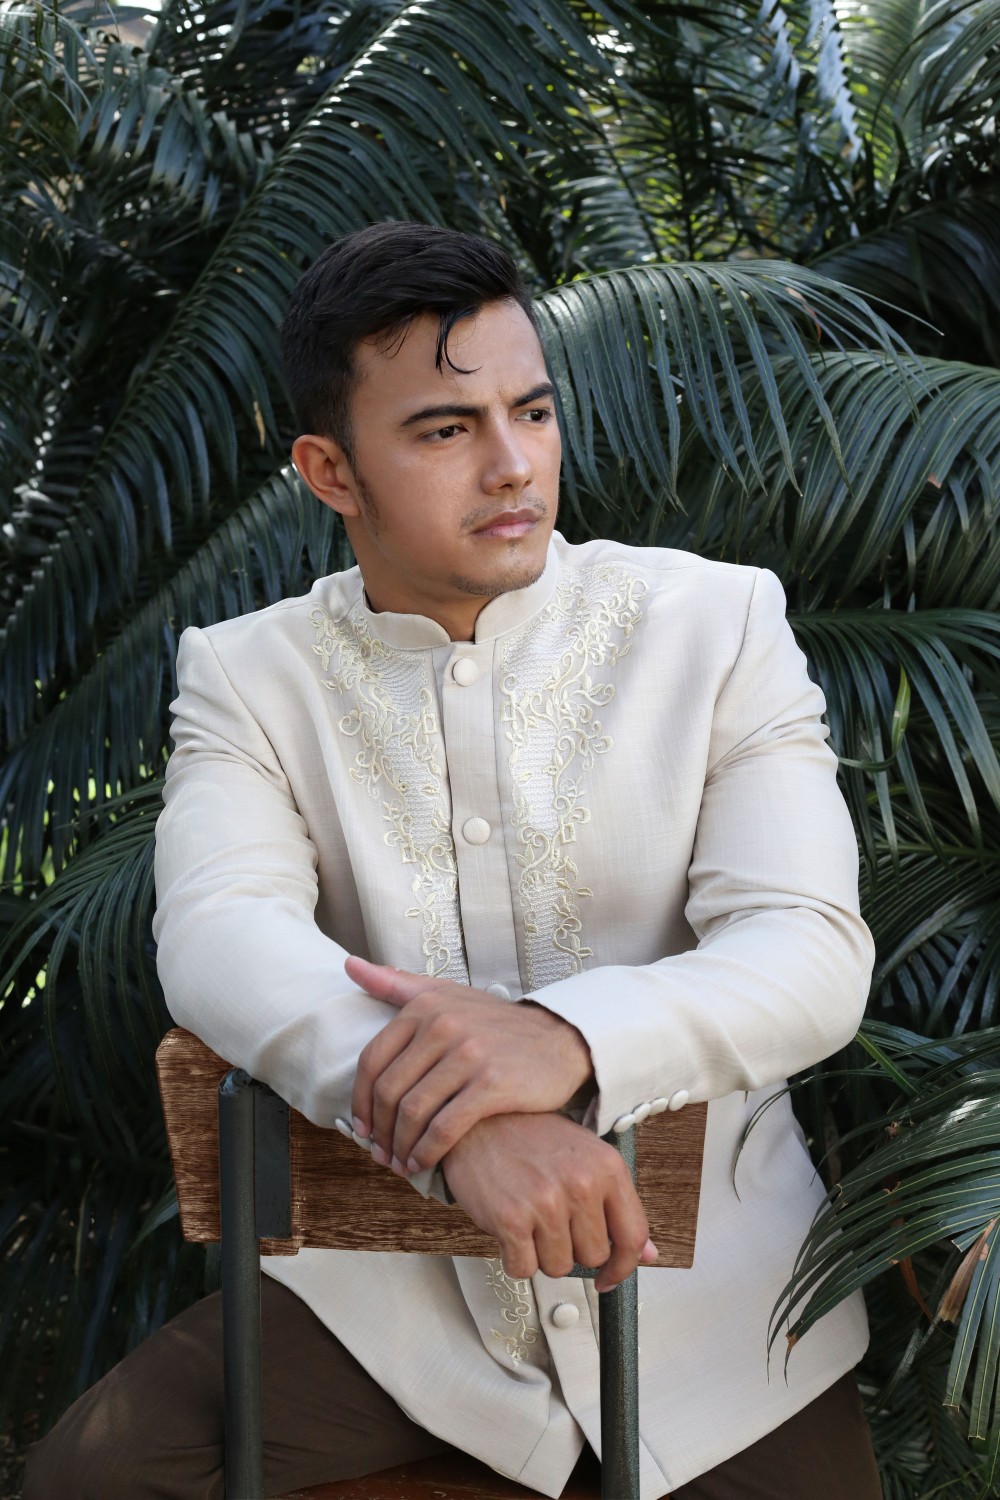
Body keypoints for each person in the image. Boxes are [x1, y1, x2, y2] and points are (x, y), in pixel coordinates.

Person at [24, 221, 882, 1499]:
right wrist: (459, 1134)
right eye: (443, 430)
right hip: (394, 1317)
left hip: (718, 1323)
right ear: (329, 470)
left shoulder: (718, 623)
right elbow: (215, 936)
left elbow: (808, 948)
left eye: (530, 412)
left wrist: (563, 1041)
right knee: (90, 1478)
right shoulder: (248, 675)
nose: (511, 465)